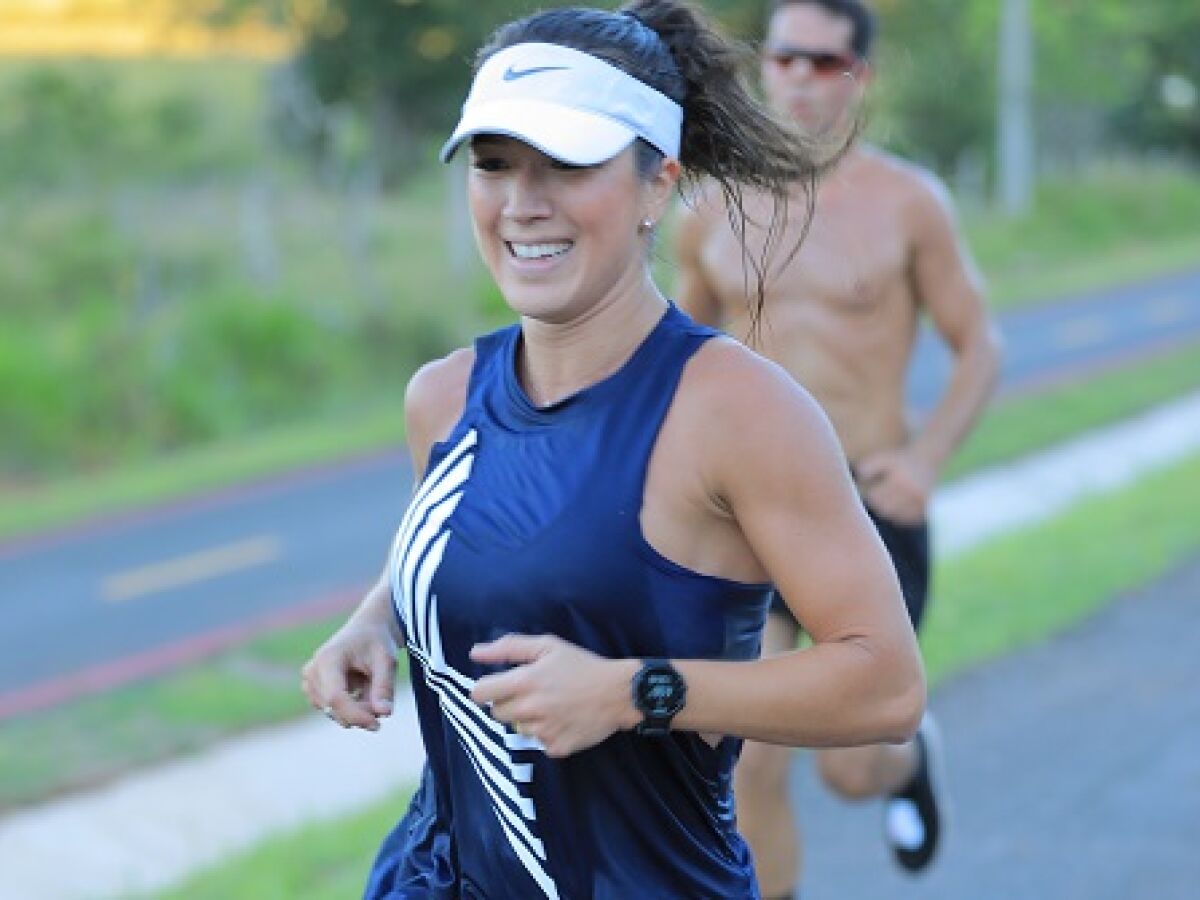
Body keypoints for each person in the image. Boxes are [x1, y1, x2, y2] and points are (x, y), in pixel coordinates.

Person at [301, 2, 925, 897]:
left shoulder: (738, 411)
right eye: (495, 164)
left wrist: (637, 693)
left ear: (657, 183)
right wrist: (379, 619)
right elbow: (484, 546)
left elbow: (886, 685)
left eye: (567, 164)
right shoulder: (440, 397)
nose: (523, 202)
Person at [675, 0, 1003, 895]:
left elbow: (979, 343)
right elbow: (675, 365)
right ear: (764, 67)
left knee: (850, 767)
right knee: (750, 763)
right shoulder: (709, 212)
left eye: (826, 62)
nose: (801, 78)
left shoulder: (909, 204)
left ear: (861, 75)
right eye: (785, 58)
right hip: (749, 515)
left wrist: (925, 461)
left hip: (867, 502)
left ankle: (909, 757)